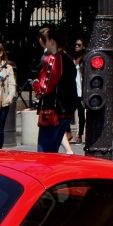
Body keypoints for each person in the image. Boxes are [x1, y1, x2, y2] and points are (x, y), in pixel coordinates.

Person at [32, 26, 77, 154]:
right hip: (66, 111)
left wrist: (35, 84)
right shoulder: (68, 58)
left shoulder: (53, 59)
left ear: (52, 41)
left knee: (44, 152)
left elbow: (43, 88)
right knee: (53, 151)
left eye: (46, 41)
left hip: (52, 111)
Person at [71, 38, 86, 143]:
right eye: (76, 45)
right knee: (68, 112)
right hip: (72, 90)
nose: (76, 46)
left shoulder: (85, 59)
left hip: (81, 90)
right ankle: (68, 133)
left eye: (79, 45)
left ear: (83, 47)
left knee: (81, 114)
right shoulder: (72, 58)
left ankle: (80, 135)